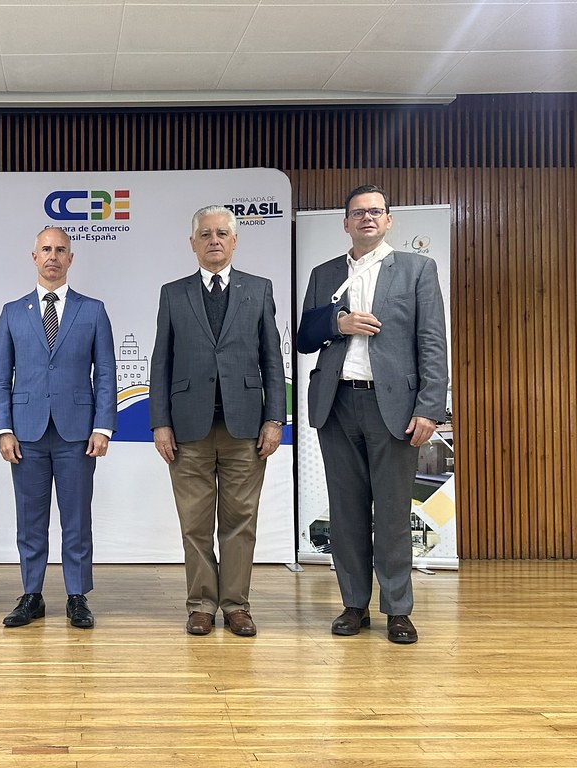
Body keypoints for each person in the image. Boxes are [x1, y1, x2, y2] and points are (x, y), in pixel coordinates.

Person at [296, 184, 448, 645]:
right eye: (358, 212)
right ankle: (354, 605)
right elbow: (305, 337)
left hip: (395, 408)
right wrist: (337, 324)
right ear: (345, 222)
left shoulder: (417, 269)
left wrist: (430, 408)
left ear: (388, 220)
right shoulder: (324, 274)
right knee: (346, 514)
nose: (367, 217)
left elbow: (432, 342)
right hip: (337, 404)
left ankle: (398, 609)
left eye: (376, 211)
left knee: (394, 513)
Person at [149, 205, 285, 638]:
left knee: (241, 522)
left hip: (246, 428)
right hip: (187, 430)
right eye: (205, 234)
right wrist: (160, 423)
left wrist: (274, 419)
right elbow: (161, 362)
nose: (213, 240)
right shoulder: (173, 293)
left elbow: (272, 358)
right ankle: (201, 605)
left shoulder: (258, 289)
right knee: (195, 524)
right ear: (193, 243)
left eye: (221, 233)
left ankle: (237, 606)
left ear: (234, 241)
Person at [0, 227, 116, 629]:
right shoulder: (12, 312)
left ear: (70, 258)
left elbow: (106, 373)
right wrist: (2, 429)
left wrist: (103, 426)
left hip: (77, 433)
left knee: (76, 519)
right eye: (46, 249)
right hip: (25, 433)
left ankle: (77, 596)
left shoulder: (92, 310)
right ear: (34, 256)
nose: (53, 256)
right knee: (30, 520)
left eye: (61, 250)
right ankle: (32, 595)